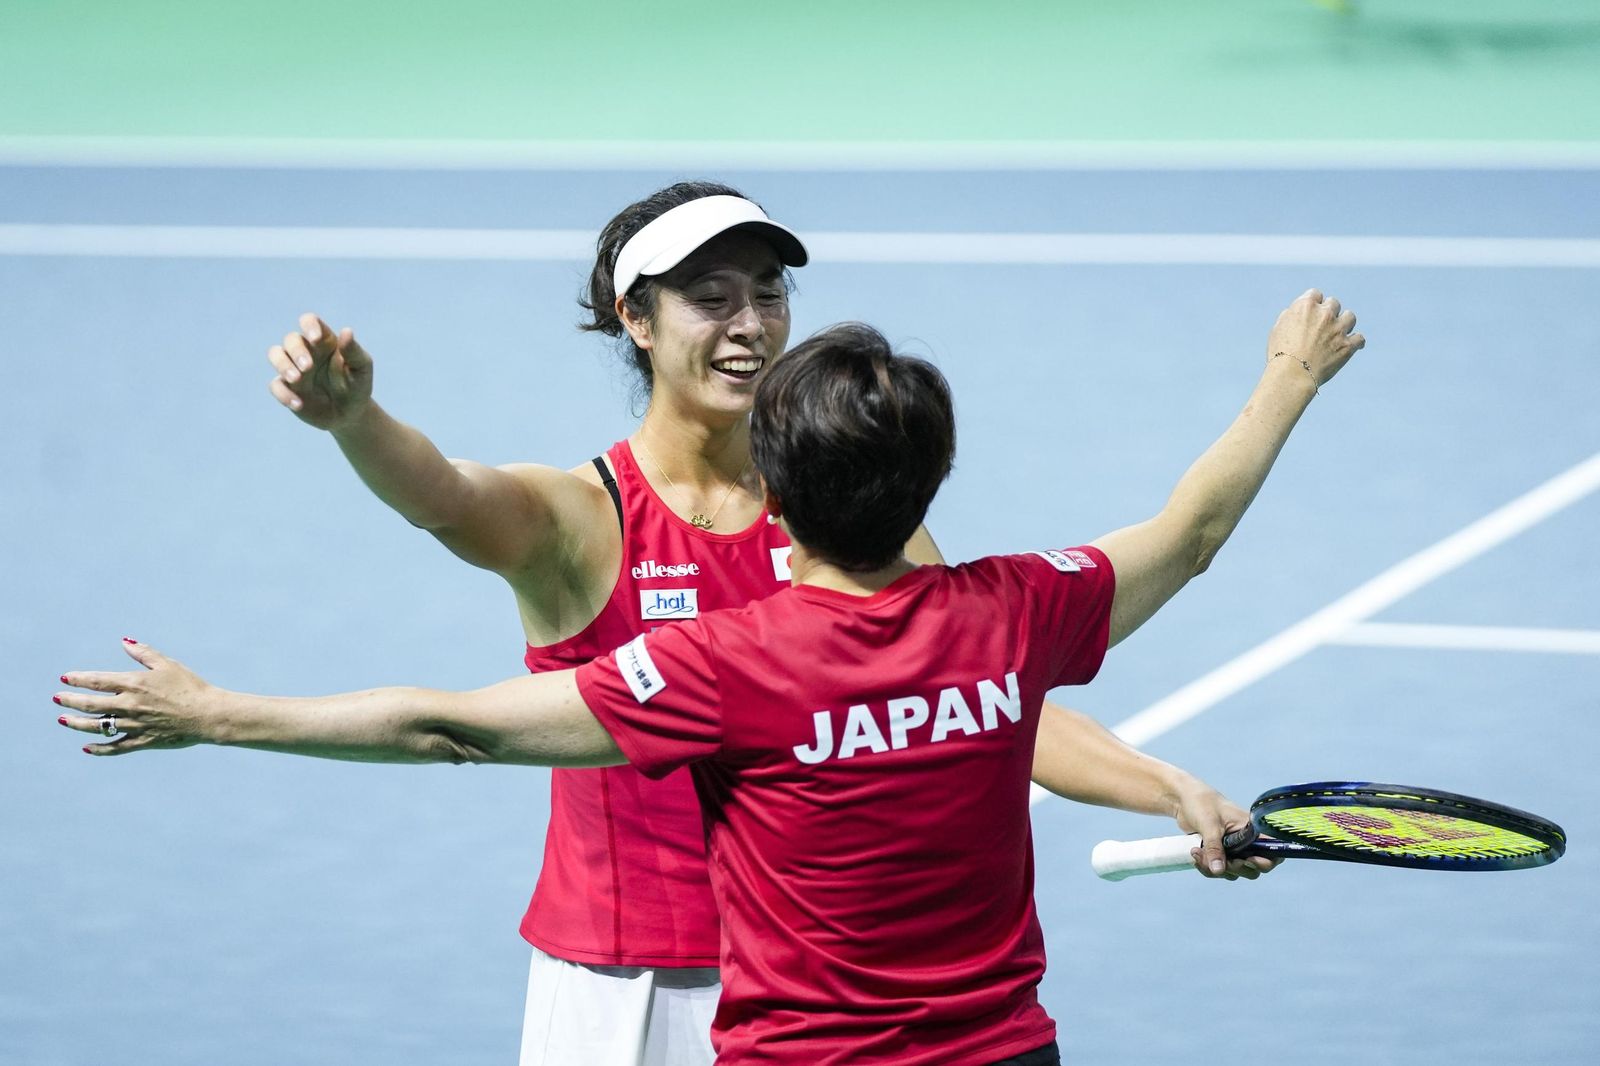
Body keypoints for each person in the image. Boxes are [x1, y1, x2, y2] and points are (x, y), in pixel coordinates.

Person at [59, 296, 1363, 1065]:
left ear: (776, 499)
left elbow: (446, 724)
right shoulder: (1014, 612)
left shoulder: (729, 668)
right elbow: (1189, 532)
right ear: (929, 485)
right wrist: (1289, 380)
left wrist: (221, 712)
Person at [249, 182, 1263, 1066]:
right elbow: (441, 495)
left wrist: (1159, 782)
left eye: (768, 294)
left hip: (817, 1002)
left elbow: (970, 695)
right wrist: (355, 423)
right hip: (632, 979)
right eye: (710, 298)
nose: (749, 323)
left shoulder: (850, 509)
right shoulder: (580, 515)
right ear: (635, 319)